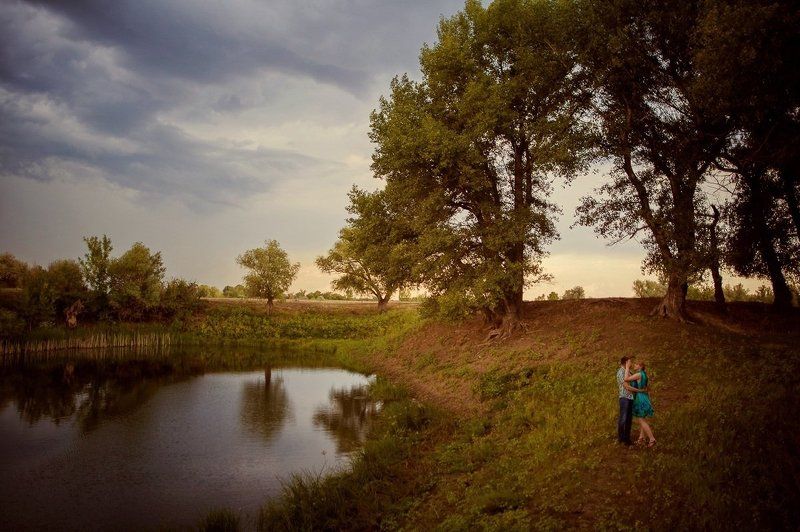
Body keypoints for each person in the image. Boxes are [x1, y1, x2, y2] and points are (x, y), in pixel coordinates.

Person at [624, 361, 656, 446]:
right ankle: (641, 438)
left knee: (641, 420)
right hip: (644, 396)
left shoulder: (638, 374)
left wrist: (627, 367)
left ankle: (652, 439)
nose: (634, 365)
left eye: (636, 364)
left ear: (640, 366)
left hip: (640, 398)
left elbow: (626, 379)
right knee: (643, 418)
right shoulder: (644, 374)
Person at [616, 357, 639, 445]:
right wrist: (639, 391)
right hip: (624, 398)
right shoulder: (621, 372)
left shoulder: (629, 372)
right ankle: (621, 438)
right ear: (626, 362)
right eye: (629, 361)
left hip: (630, 398)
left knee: (629, 419)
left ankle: (627, 438)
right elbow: (626, 386)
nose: (631, 363)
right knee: (623, 418)